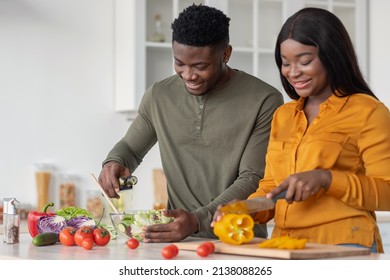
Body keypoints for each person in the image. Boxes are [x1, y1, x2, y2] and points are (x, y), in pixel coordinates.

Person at [98, 4, 284, 242]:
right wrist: (114, 162)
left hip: (238, 238)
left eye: (200, 66)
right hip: (179, 239)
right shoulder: (159, 95)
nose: (188, 75)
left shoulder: (264, 100)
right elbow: (130, 149)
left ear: (226, 54)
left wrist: (197, 220)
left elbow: (252, 178)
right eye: (179, 63)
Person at [213, 7, 390, 253]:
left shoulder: (369, 112)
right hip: (286, 247)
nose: (293, 72)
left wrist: (327, 179)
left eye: (305, 61)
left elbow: (387, 191)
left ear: (333, 56)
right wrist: (246, 208)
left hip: (346, 246)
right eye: (286, 63)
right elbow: (272, 188)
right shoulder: (283, 116)